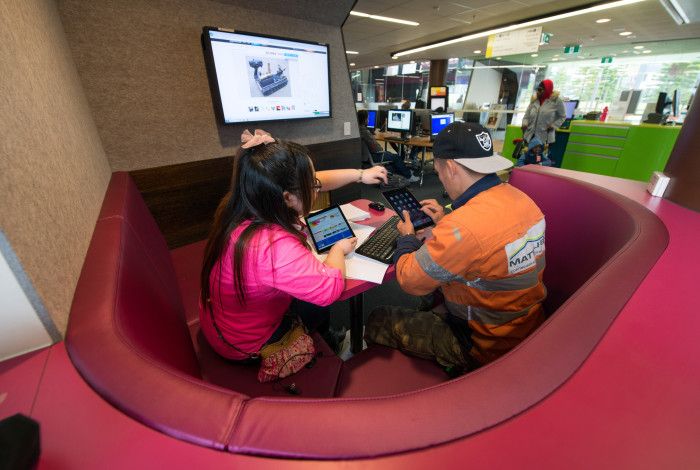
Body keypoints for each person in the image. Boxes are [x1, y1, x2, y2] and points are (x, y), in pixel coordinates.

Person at [365, 122, 547, 373]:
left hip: (485, 343)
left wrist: (407, 237)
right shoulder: (523, 200)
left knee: (378, 319)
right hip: (526, 323)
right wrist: (444, 223)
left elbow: (409, 281)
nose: (440, 178)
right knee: (434, 289)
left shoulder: (464, 227)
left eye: (438, 172)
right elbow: (488, 243)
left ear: (449, 168)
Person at [199, 129, 389, 361]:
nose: (318, 187)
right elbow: (329, 290)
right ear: (287, 198)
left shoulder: (244, 204)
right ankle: (329, 345)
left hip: (222, 320)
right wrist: (338, 250)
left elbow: (320, 180)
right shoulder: (272, 247)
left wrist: (360, 174)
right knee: (317, 303)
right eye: (312, 184)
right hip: (247, 342)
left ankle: (324, 336)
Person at [357, 110, 419, 183]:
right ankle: (409, 176)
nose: (368, 120)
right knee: (396, 157)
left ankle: (403, 171)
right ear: (365, 120)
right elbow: (377, 149)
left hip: (365, 156)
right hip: (374, 155)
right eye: (368, 118)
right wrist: (381, 149)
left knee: (391, 155)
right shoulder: (365, 132)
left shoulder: (358, 130)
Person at [521, 79, 566, 145]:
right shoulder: (534, 100)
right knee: (527, 154)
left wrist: (554, 125)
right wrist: (525, 124)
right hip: (529, 136)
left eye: (540, 90)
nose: (537, 92)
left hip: (545, 137)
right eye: (537, 89)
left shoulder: (556, 101)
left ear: (547, 89)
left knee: (540, 155)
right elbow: (526, 117)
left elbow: (562, 116)